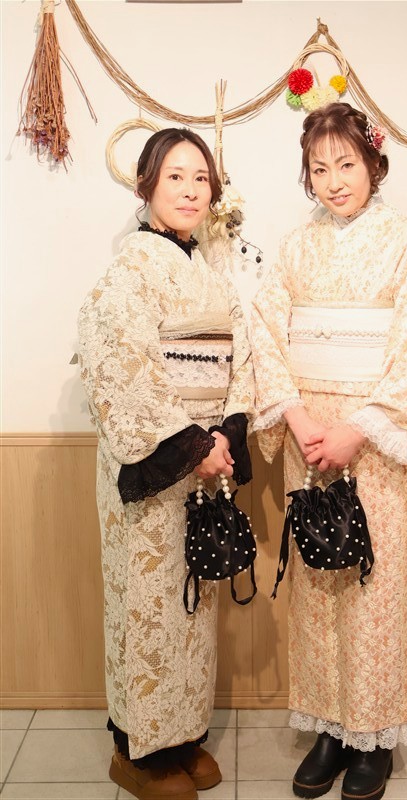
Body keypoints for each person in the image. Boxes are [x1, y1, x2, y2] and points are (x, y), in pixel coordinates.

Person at [251, 103, 407, 800]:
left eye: (346, 164)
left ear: (373, 164)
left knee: (373, 586)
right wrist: (299, 418)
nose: (333, 180)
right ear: (306, 176)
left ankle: (372, 737)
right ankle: (328, 731)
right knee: (316, 585)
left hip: (373, 445)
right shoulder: (292, 247)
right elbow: (265, 332)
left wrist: (358, 427)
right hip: (309, 439)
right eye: (319, 168)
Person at [78, 128, 254, 800]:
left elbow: (242, 360)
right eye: (174, 176)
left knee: (192, 607)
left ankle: (182, 738)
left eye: (200, 178)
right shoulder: (127, 274)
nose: (189, 190)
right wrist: (194, 447)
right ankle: (136, 749)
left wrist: (226, 434)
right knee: (146, 603)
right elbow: (121, 369)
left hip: (204, 466)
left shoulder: (209, 272)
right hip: (158, 469)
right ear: (145, 185)